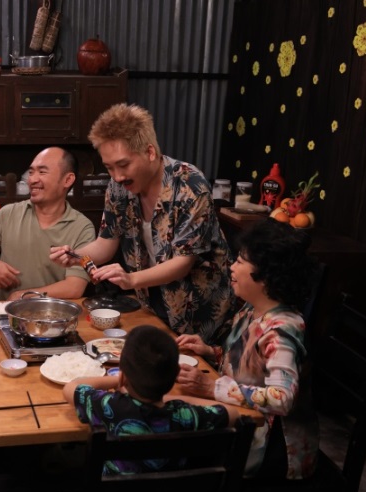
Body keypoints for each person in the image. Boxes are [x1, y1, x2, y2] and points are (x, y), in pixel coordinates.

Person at [29, 325, 239, 492]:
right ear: (172, 377)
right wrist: (175, 399)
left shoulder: (111, 407)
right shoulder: (184, 416)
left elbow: (71, 388)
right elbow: (233, 413)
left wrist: (114, 382)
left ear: (124, 375)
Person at [50, 103, 234, 344]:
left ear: (149, 152)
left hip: (201, 315)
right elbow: (106, 243)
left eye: (123, 165)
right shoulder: (118, 188)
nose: (117, 176)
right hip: (154, 308)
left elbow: (183, 263)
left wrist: (131, 279)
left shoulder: (189, 185)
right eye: (109, 167)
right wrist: (76, 255)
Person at [176, 218, 319, 479]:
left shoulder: (282, 331)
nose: (232, 267)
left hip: (273, 447)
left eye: (241, 261)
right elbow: (251, 366)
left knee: (177, 435)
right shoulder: (253, 309)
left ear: (265, 276)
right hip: (244, 423)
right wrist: (210, 352)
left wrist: (212, 387)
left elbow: (282, 398)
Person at [0, 146, 96, 301]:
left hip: (51, 313)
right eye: (31, 172)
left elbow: (74, 287)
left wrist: (24, 296)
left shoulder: (82, 227)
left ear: (67, 180)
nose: (32, 180)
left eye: (42, 172)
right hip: (1, 311)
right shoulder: (8, 214)